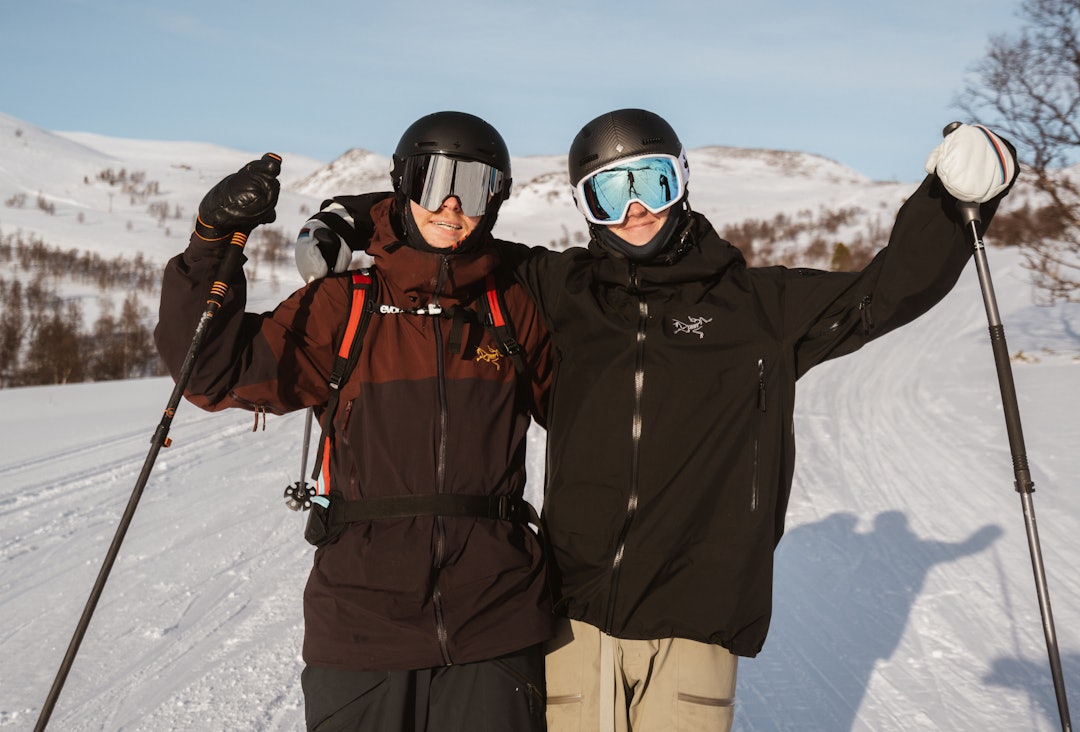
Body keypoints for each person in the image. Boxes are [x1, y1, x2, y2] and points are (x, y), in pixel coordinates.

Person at [296, 109, 1018, 732]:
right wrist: (344, 218)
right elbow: (446, 225)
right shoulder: (559, 289)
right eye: (611, 190)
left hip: (695, 617)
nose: (636, 207)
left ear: (682, 181)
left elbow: (886, 293)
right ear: (586, 206)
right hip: (574, 614)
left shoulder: (759, 308)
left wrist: (955, 198)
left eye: (652, 181)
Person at [154, 111, 554, 732]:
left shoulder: (515, 306)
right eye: (433, 181)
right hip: (361, 627)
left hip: (495, 625)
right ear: (404, 184)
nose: (451, 204)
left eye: (474, 186)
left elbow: (594, 415)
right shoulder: (346, 305)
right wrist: (212, 243)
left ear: (496, 200)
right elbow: (210, 372)